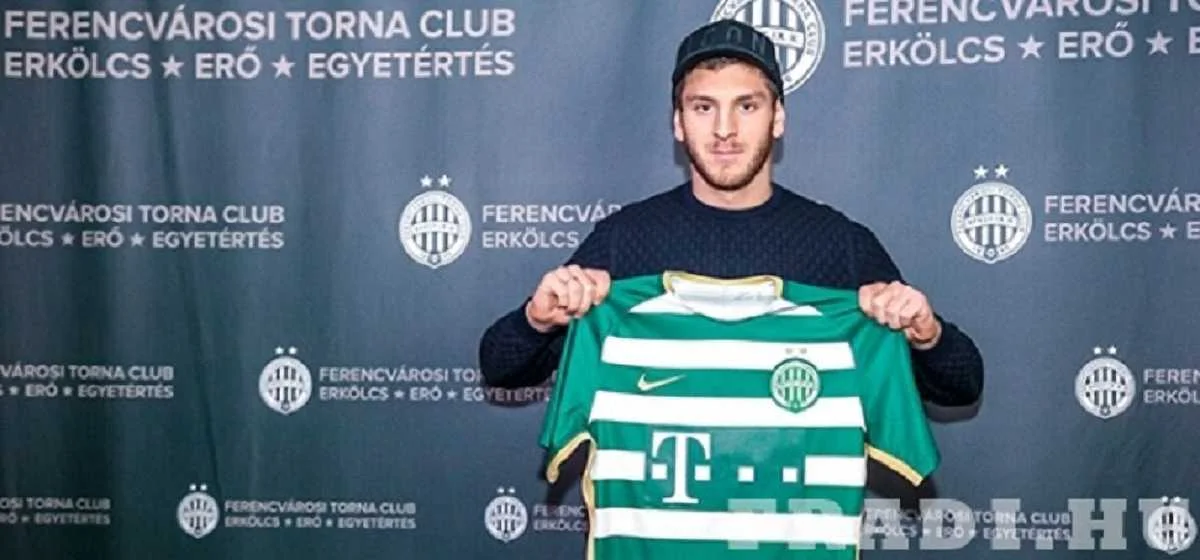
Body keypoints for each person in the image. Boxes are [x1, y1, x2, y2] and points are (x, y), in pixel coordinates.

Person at [477, 18, 983, 408]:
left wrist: (926, 333)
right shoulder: (624, 240)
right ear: (678, 123)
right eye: (703, 107)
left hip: (791, 513)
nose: (724, 130)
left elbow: (962, 384)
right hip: (652, 516)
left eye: (747, 106)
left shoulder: (839, 244)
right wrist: (537, 319)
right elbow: (501, 367)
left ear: (777, 118)